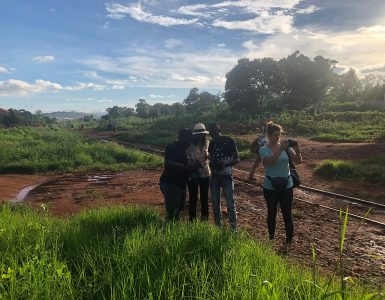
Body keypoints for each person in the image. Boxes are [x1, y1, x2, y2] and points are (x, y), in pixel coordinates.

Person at [259, 121, 302, 253]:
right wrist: (281, 149)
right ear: (268, 135)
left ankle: (288, 243)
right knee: (272, 213)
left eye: (279, 135)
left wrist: (297, 147)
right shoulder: (263, 149)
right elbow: (270, 162)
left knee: (287, 214)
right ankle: (271, 239)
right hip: (270, 186)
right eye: (274, 135)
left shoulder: (285, 147)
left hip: (287, 185)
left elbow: (298, 160)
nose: (277, 137)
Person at [159, 129, 198, 220]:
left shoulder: (185, 150)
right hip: (170, 183)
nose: (189, 143)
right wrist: (184, 167)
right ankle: (170, 228)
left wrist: (194, 166)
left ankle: (173, 226)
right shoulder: (171, 148)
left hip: (180, 184)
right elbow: (168, 163)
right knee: (172, 211)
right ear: (182, 138)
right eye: (188, 140)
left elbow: (186, 169)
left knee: (179, 208)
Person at [208, 123, 240, 231]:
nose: (212, 133)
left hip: (227, 176)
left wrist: (225, 164)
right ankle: (218, 227)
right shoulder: (212, 143)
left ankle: (233, 229)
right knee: (215, 203)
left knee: (230, 203)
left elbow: (237, 158)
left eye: (214, 130)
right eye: (210, 131)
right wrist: (212, 163)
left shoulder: (229, 141)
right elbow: (211, 158)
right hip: (215, 176)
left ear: (219, 129)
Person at [186, 123, 211, 221]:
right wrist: (193, 163)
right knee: (193, 198)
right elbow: (186, 157)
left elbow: (209, 155)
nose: (200, 136)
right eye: (198, 134)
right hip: (193, 174)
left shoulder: (207, 143)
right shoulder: (189, 144)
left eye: (202, 134)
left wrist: (208, 157)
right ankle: (192, 220)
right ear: (194, 135)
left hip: (205, 173)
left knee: (204, 198)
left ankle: (204, 219)